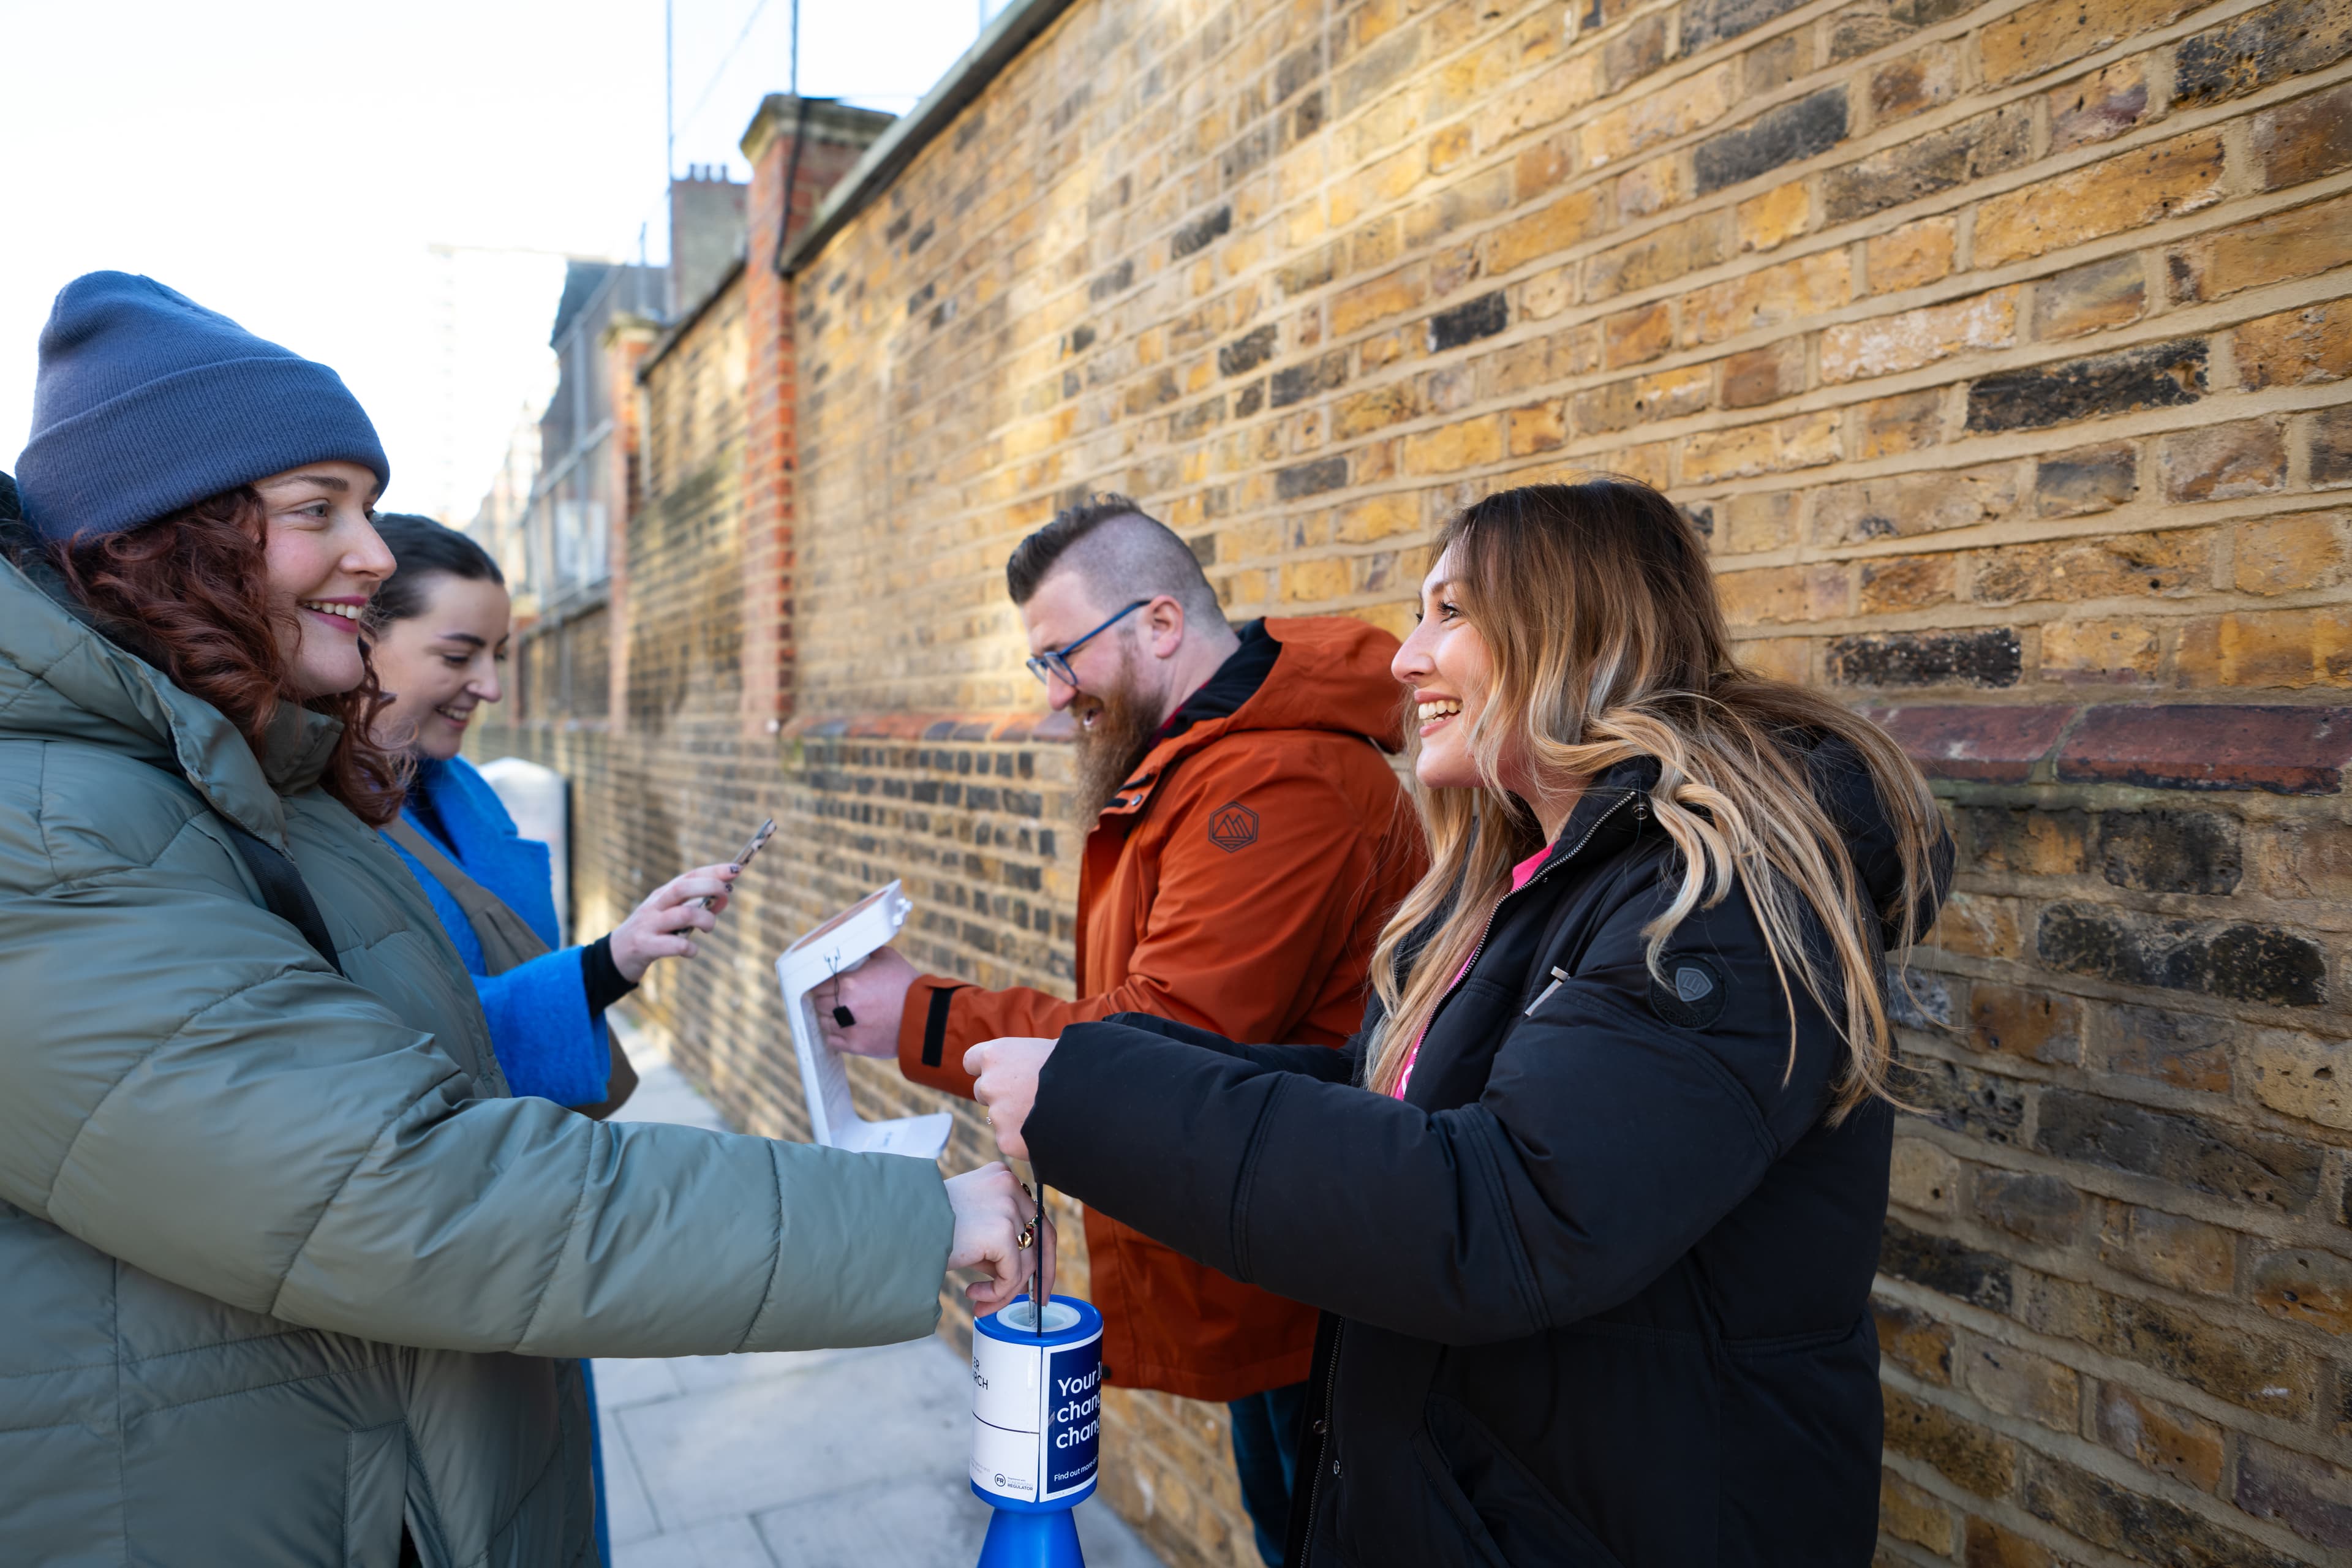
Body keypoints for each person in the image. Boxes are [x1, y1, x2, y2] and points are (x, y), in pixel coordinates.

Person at [0, 272, 1042, 1567]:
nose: (373, 556)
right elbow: (400, 1185)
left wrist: (605, 962)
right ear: (168, 538)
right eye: (319, 511)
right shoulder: (44, 830)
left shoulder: (267, 780)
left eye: (371, 508)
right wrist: (907, 1219)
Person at [965, 480, 1954, 1566]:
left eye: (1452, 614)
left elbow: (1503, 1211)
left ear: (1574, 630)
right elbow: (1376, 1097)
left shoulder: (1717, 904)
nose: (1405, 656)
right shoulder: (1517, 883)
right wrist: (1093, 1071)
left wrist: (1091, 1101)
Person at [815, 495, 1425, 1563]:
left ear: (1157, 625)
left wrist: (924, 1013)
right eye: (1038, 667)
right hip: (1260, 1242)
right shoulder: (1204, 760)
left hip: (1314, 1272)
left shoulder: (1277, 780)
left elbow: (1161, 1035)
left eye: (1063, 659)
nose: (1055, 701)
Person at [362, 513, 740, 1565]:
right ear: (361, 635)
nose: (488, 686)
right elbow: (415, 1045)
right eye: (457, 654)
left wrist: (620, 952)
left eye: (498, 655)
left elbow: (485, 996)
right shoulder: (312, 827)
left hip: (525, 1217)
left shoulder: (455, 793)